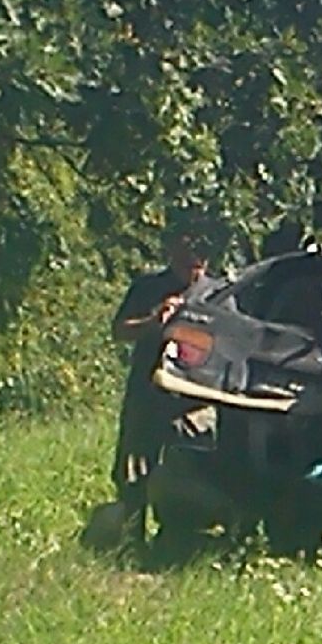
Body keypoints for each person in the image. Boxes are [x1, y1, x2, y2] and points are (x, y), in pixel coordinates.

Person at [107, 230, 210, 546]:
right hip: (148, 390)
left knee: (190, 465)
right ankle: (131, 537)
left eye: (200, 255)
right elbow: (119, 330)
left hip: (196, 397)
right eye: (187, 251)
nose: (194, 261)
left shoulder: (219, 294)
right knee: (135, 465)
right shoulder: (148, 287)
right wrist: (154, 321)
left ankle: (178, 537)